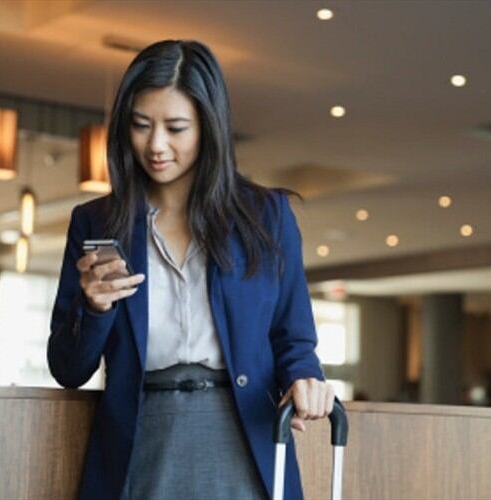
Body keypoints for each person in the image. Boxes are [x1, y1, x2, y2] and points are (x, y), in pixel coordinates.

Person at [47, 39, 338, 500]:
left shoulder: (266, 216)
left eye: (176, 128)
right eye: (141, 125)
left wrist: (307, 380)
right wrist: (94, 306)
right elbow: (67, 368)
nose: (156, 145)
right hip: (138, 440)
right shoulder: (96, 222)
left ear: (209, 127)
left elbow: (293, 338)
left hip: (243, 435)